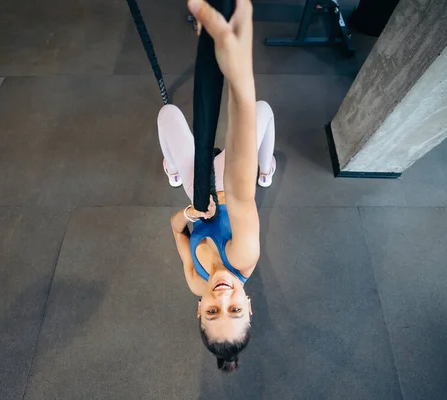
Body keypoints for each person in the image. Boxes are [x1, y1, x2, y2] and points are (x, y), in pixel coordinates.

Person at [157, 0, 276, 372]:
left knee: (168, 114)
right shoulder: (242, 257)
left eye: (213, 311)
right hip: (225, 177)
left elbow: (176, 229)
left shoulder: (196, 283)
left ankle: (175, 170)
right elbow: (240, 194)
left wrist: (192, 211)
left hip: (197, 189)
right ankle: (267, 165)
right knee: (263, 111)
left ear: (199, 310)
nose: (222, 297)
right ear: (249, 306)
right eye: (235, 309)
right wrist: (237, 79)